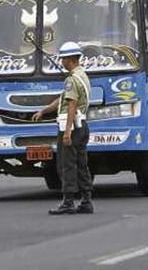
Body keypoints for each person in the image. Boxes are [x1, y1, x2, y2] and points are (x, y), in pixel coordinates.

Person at [32, 42, 94, 215]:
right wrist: (44, 111)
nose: (62, 62)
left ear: (71, 59)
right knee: (82, 164)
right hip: (82, 126)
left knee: (66, 165)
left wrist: (67, 132)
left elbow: (71, 105)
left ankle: (68, 202)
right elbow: (63, 100)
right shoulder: (82, 76)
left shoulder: (71, 80)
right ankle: (86, 200)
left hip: (71, 127)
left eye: (64, 59)